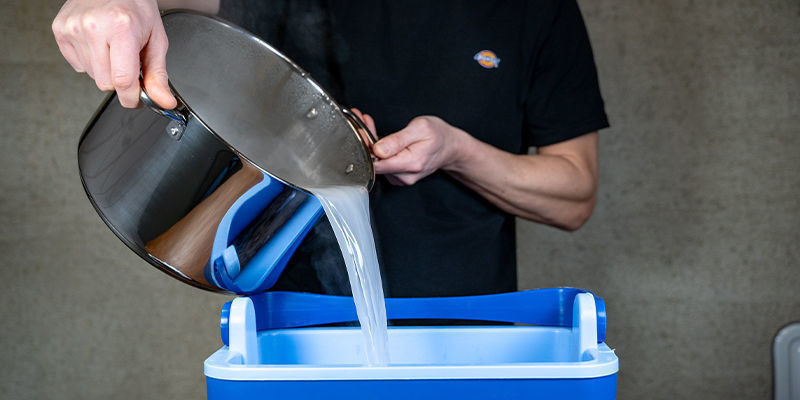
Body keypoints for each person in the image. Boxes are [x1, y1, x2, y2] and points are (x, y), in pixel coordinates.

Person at [53, 0, 608, 299]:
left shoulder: (537, 10)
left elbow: (574, 193)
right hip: (291, 326)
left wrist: (458, 151)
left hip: (467, 329)